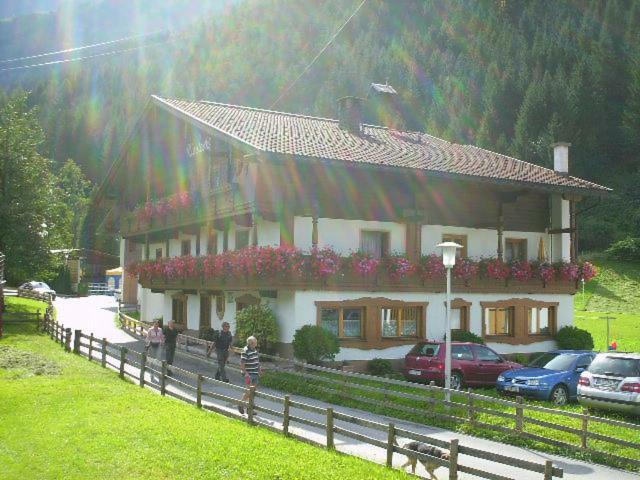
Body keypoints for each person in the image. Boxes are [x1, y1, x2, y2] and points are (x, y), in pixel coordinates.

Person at [238, 335, 261, 415]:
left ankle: (249, 409)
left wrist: (259, 369)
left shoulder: (254, 350)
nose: (257, 344)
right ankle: (241, 404)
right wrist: (246, 373)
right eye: (255, 342)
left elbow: (257, 361)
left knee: (253, 391)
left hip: (255, 373)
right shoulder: (245, 350)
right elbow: (242, 364)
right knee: (249, 391)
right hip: (249, 374)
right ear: (251, 343)